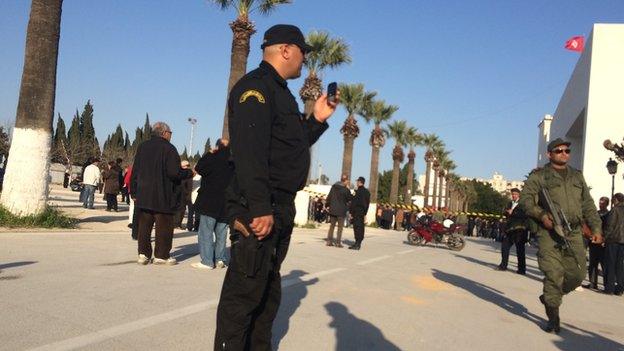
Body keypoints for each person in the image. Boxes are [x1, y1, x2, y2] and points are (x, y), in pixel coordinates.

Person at [214, 24, 339, 351]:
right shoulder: (255, 89)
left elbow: (288, 148)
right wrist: (260, 207)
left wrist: (318, 120)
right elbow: (250, 154)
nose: (305, 59)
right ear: (285, 50)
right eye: (303, 52)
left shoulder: (281, 92)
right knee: (243, 296)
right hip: (259, 206)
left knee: (267, 295)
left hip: (277, 205)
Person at [519, 138, 603, 333]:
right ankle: (553, 318)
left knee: (578, 275)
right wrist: (541, 215)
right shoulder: (540, 177)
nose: (564, 153)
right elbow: (525, 201)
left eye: (567, 150)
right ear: (550, 154)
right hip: (549, 233)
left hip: (573, 232)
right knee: (553, 274)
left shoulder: (576, 176)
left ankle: (550, 297)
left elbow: (588, 205)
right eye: (559, 151)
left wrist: (596, 229)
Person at [130, 122, 194, 266]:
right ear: (164, 133)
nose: (171, 135)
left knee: (144, 227)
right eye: (170, 132)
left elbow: (136, 170)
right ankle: (161, 255)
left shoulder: (143, 147)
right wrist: (189, 172)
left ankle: (143, 254)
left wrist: (134, 191)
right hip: (163, 195)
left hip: (144, 194)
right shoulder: (169, 149)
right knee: (163, 226)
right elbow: (174, 172)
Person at [192, 139, 233, 270]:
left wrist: (209, 153)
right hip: (226, 203)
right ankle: (220, 259)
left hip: (209, 202)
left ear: (217, 147)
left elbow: (198, 168)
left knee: (206, 232)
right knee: (221, 233)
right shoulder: (233, 162)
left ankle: (207, 261)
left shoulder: (212, 158)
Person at [497, 188, 528, 274]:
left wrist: (513, 213)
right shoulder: (509, 203)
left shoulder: (523, 203)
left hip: (519, 229)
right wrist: (507, 212)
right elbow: (504, 211)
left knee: (520, 250)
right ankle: (503, 265)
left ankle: (522, 269)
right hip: (509, 229)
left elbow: (525, 214)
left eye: (515, 194)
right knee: (504, 247)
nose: (513, 196)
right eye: (512, 194)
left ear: (519, 195)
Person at [585, 196, 609, 289]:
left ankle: (607, 285)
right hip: (594, 241)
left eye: (602, 203)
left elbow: (608, 228)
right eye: (600, 203)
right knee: (593, 263)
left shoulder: (609, 214)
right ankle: (592, 283)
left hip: (603, 242)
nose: (600, 204)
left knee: (604, 264)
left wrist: (604, 239)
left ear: (607, 204)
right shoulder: (596, 214)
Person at [603, 193, 624, 295]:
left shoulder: (614, 210)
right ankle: (620, 288)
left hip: (613, 240)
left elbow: (610, 226)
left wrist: (604, 238)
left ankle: (609, 288)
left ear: (616, 200)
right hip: (622, 242)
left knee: (610, 264)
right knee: (620, 265)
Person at [325, 175, 352, 248]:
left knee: (332, 226)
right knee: (340, 228)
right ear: (346, 181)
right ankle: (338, 243)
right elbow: (349, 199)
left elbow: (329, 197)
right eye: (347, 181)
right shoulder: (346, 190)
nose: (348, 182)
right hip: (341, 211)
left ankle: (329, 241)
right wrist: (349, 190)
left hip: (333, 209)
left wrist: (327, 205)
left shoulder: (333, 187)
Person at [349, 177, 370, 250]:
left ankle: (357, 244)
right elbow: (367, 204)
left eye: (357, 181)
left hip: (356, 211)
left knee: (356, 227)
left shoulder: (357, 192)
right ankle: (358, 243)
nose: (356, 183)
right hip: (362, 212)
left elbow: (353, 202)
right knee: (361, 227)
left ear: (360, 182)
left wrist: (351, 212)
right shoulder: (367, 192)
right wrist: (365, 213)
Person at [175, 160, 194, 230]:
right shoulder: (187, 174)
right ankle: (177, 223)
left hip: (183, 194)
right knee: (181, 209)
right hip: (183, 194)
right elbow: (187, 186)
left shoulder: (184, 173)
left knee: (181, 209)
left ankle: (177, 223)